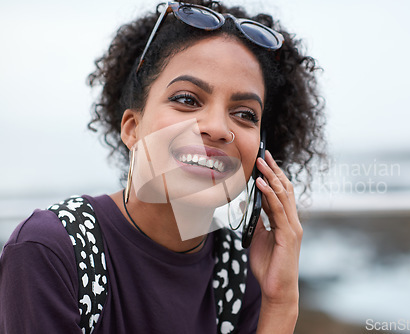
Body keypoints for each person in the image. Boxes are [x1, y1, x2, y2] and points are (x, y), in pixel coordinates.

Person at [0, 1, 326, 333]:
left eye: (244, 114)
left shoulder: (241, 273)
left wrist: (280, 302)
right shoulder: (51, 251)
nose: (216, 127)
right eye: (187, 99)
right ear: (131, 127)